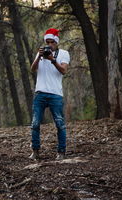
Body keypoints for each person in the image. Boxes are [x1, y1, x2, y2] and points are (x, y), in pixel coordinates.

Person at [29, 28, 70, 160]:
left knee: (60, 124)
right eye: (48, 42)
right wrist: (39, 57)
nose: (50, 44)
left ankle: (61, 152)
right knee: (35, 124)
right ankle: (35, 150)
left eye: (52, 42)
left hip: (55, 94)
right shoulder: (40, 53)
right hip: (40, 92)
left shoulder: (64, 53)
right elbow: (32, 69)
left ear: (56, 42)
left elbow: (63, 71)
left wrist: (52, 59)